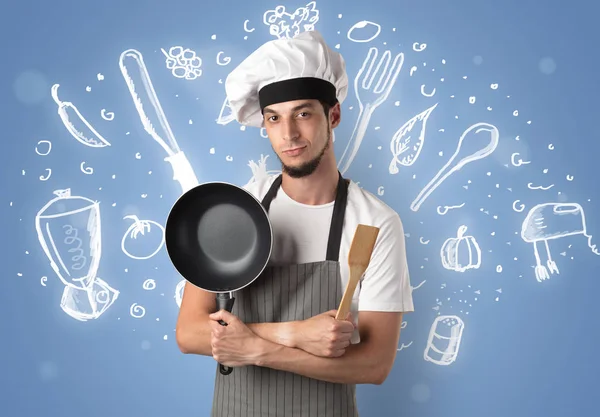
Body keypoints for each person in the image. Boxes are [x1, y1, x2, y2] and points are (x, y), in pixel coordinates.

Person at [175, 29, 414, 417]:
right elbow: (188, 333)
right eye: (274, 118)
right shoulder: (236, 208)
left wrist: (259, 349)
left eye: (302, 113)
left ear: (333, 115)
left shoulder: (375, 223)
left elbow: (374, 364)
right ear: (265, 124)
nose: (288, 135)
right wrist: (294, 334)